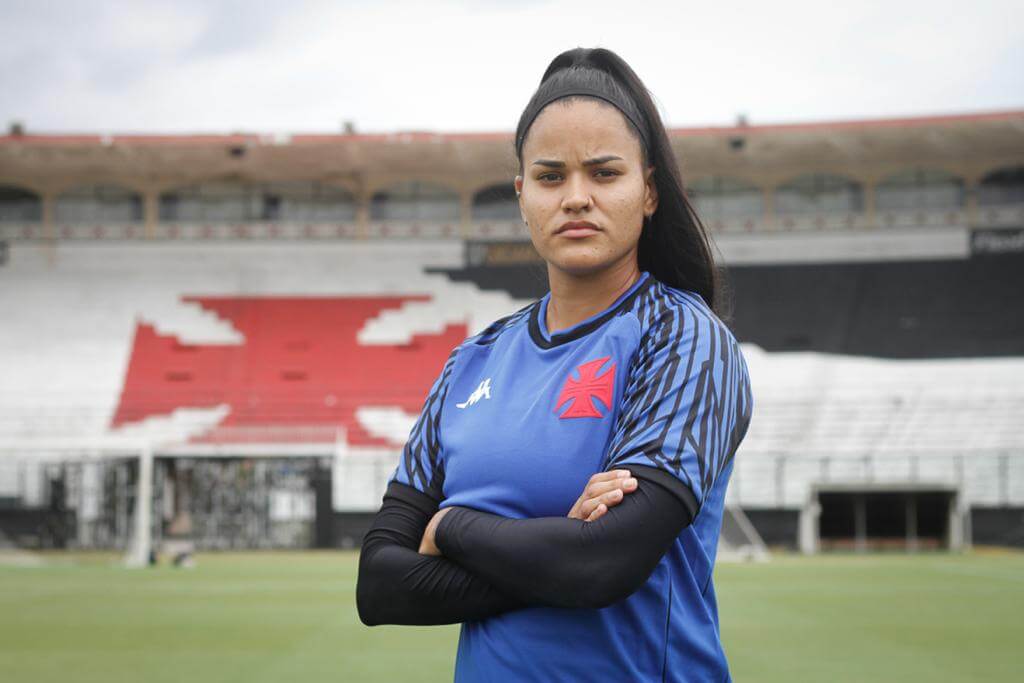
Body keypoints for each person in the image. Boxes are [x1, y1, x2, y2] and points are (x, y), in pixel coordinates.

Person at [357, 46, 754, 682]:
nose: (575, 197)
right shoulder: (472, 360)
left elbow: (604, 565)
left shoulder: (683, 338)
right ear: (521, 196)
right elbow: (379, 587)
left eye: (603, 173)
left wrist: (454, 526)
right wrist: (554, 551)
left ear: (648, 191)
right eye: (549, 176)